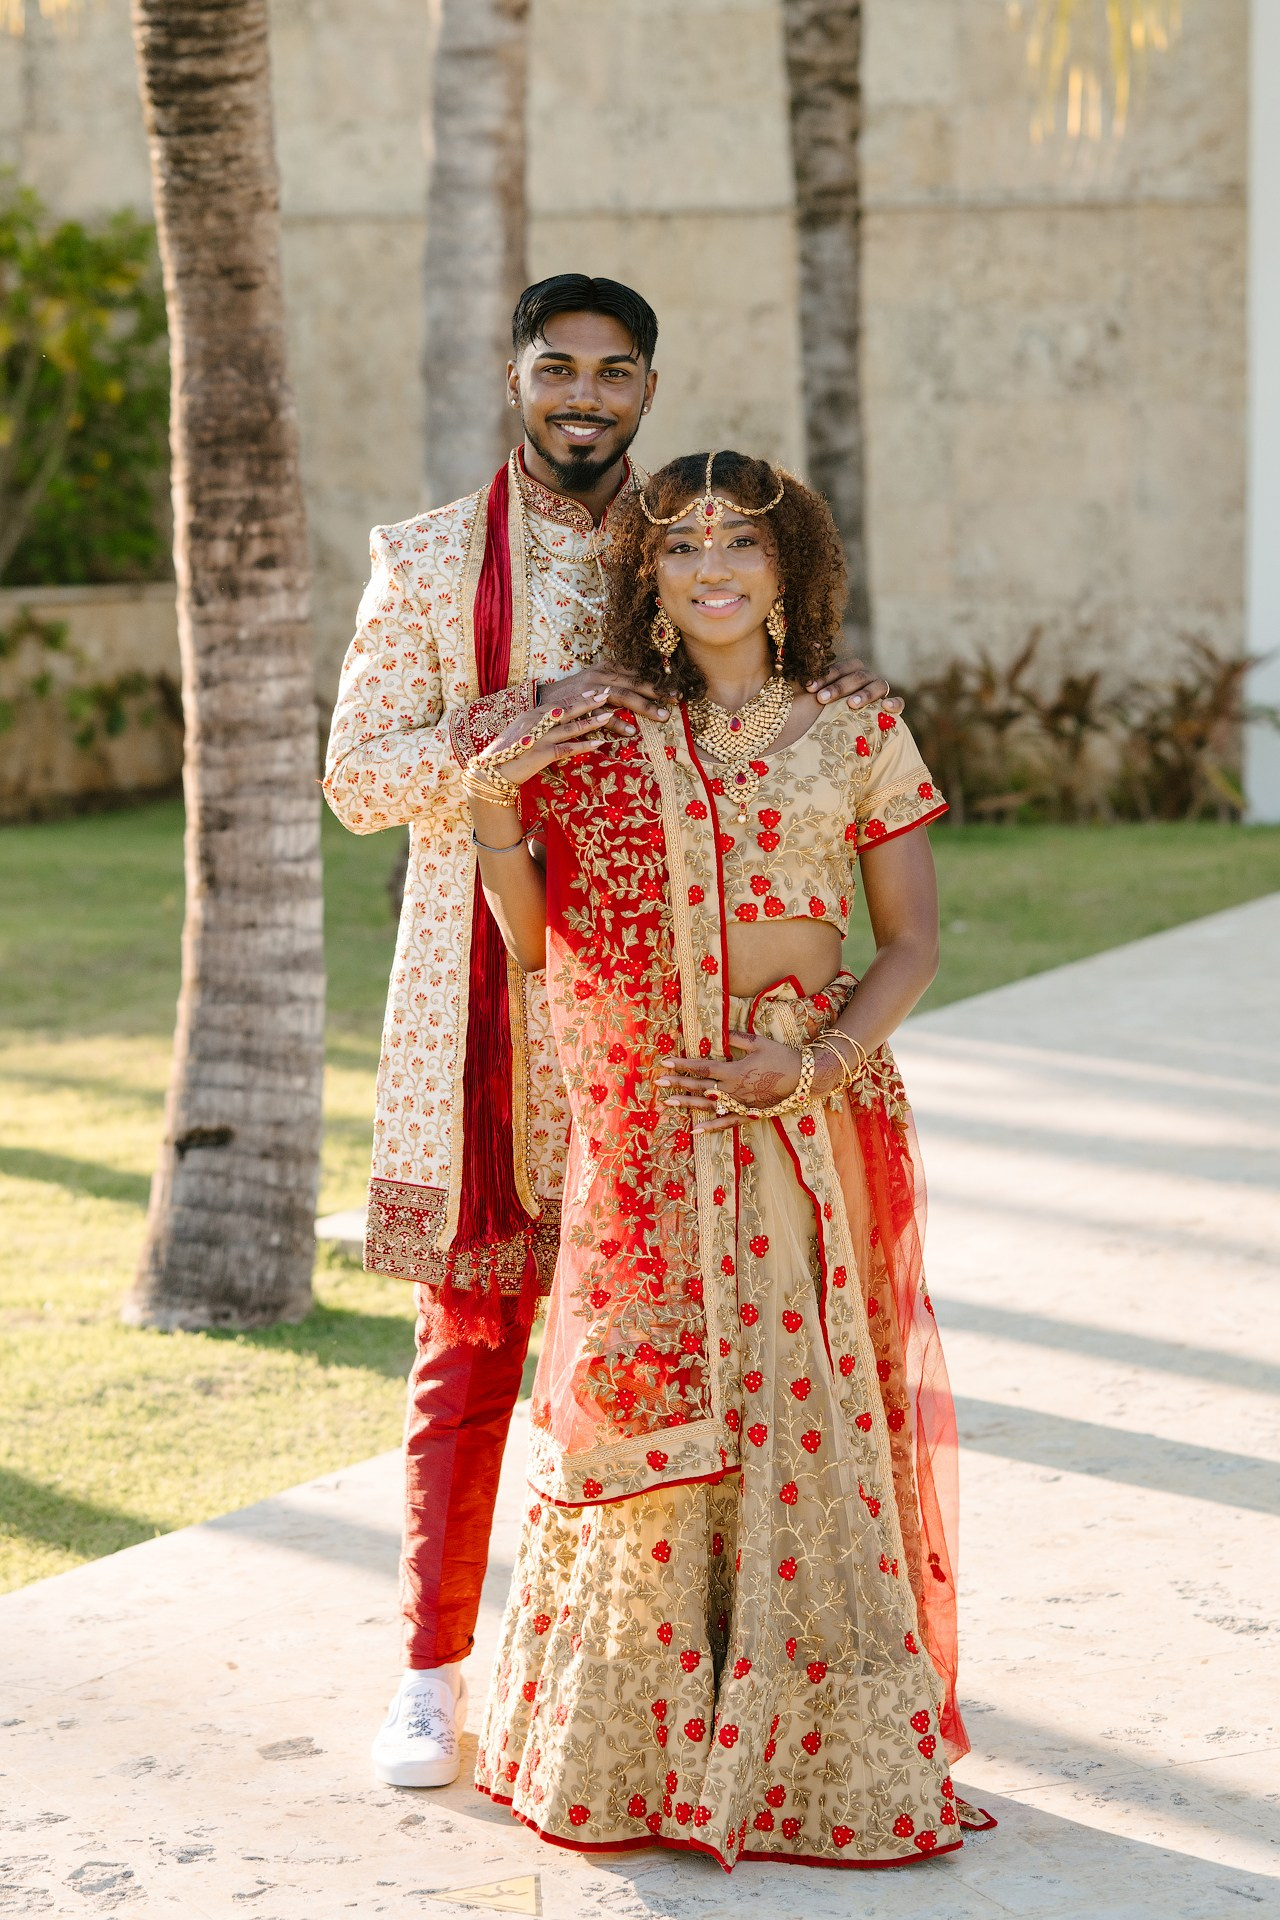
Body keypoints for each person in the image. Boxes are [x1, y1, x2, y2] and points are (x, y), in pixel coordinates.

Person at [324, 281, 898, 1789]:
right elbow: (356, 778)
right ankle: (433, 1675)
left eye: (614, 373)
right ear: (517, 379)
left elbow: (762, 686)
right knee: (479, 1332)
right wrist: (515, 725)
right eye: (557, 368)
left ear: (648, 388)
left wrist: (825, 683)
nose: (585, 395)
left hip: (691, 1018)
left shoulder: (691, 528)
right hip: (495, 987)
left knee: (702, 1329)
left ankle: (694, 1669)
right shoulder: (434, 563)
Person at [460, 450, 994, 1868]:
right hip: (658, 1121)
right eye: (683, 544)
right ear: (649, 577)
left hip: (799, 1122)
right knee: (657, 1417)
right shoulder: (611, 743)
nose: (712, 568)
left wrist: (813, 1063)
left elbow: (913, 945)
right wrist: (502, 810)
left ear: (788, 571)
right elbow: (533, 940)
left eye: (742, 545)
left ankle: (812, 1759)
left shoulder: (856, 724)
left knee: (804, 1411)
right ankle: (639, 1750)